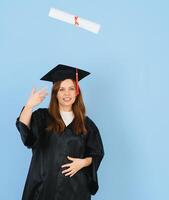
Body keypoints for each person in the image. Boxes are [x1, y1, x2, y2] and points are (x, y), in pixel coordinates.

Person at [15, 64, 104, 200]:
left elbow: (97, 153)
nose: (67, 93)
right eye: (61, 89)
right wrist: (29, 106)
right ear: (55, 93)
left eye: (71, 89)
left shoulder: (87, 124)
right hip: (44, 187)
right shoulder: (43, 117)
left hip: (75, 189)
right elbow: (26, 134)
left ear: (77, 92)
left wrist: (83, 163)